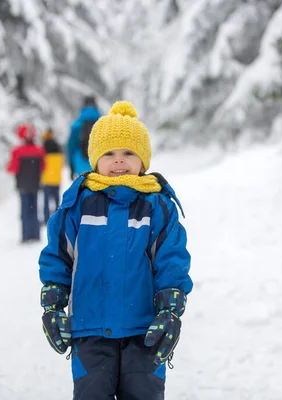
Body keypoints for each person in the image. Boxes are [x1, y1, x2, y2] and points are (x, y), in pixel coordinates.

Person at [38, 101, 192, 400]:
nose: (118, 161)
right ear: (94, 159)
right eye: (109, 153)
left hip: (145, 332)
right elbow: (58, 258)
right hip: (90, 330)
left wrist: (171, 309)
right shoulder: (77, 206)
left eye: (128, 153)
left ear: (143, 160)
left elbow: (171, 260)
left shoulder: (157, 207)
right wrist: (53, 304)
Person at [6, 123, 45, 243]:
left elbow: (12, 168)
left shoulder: (17, 151)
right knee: (35, 209)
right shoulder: (39, 150)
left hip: (23, 185)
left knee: (25, 210)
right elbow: (43, 167)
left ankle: (26, 235)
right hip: (35, 184)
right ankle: (36, 235)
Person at [67, 95, 101, 178]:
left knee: (84, 189)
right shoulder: (103, 124)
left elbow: (71, 146)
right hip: (98, 163)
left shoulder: (77, 125)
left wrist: (71, 165)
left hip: (80, 163)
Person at [40, 127, 64, 224]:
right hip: (56, 178)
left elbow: (42, 164)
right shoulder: (58, 146)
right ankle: (57, 217)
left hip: (47, 178)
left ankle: (46, 218)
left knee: (46, 201)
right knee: (56, 200)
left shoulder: (44, 147)